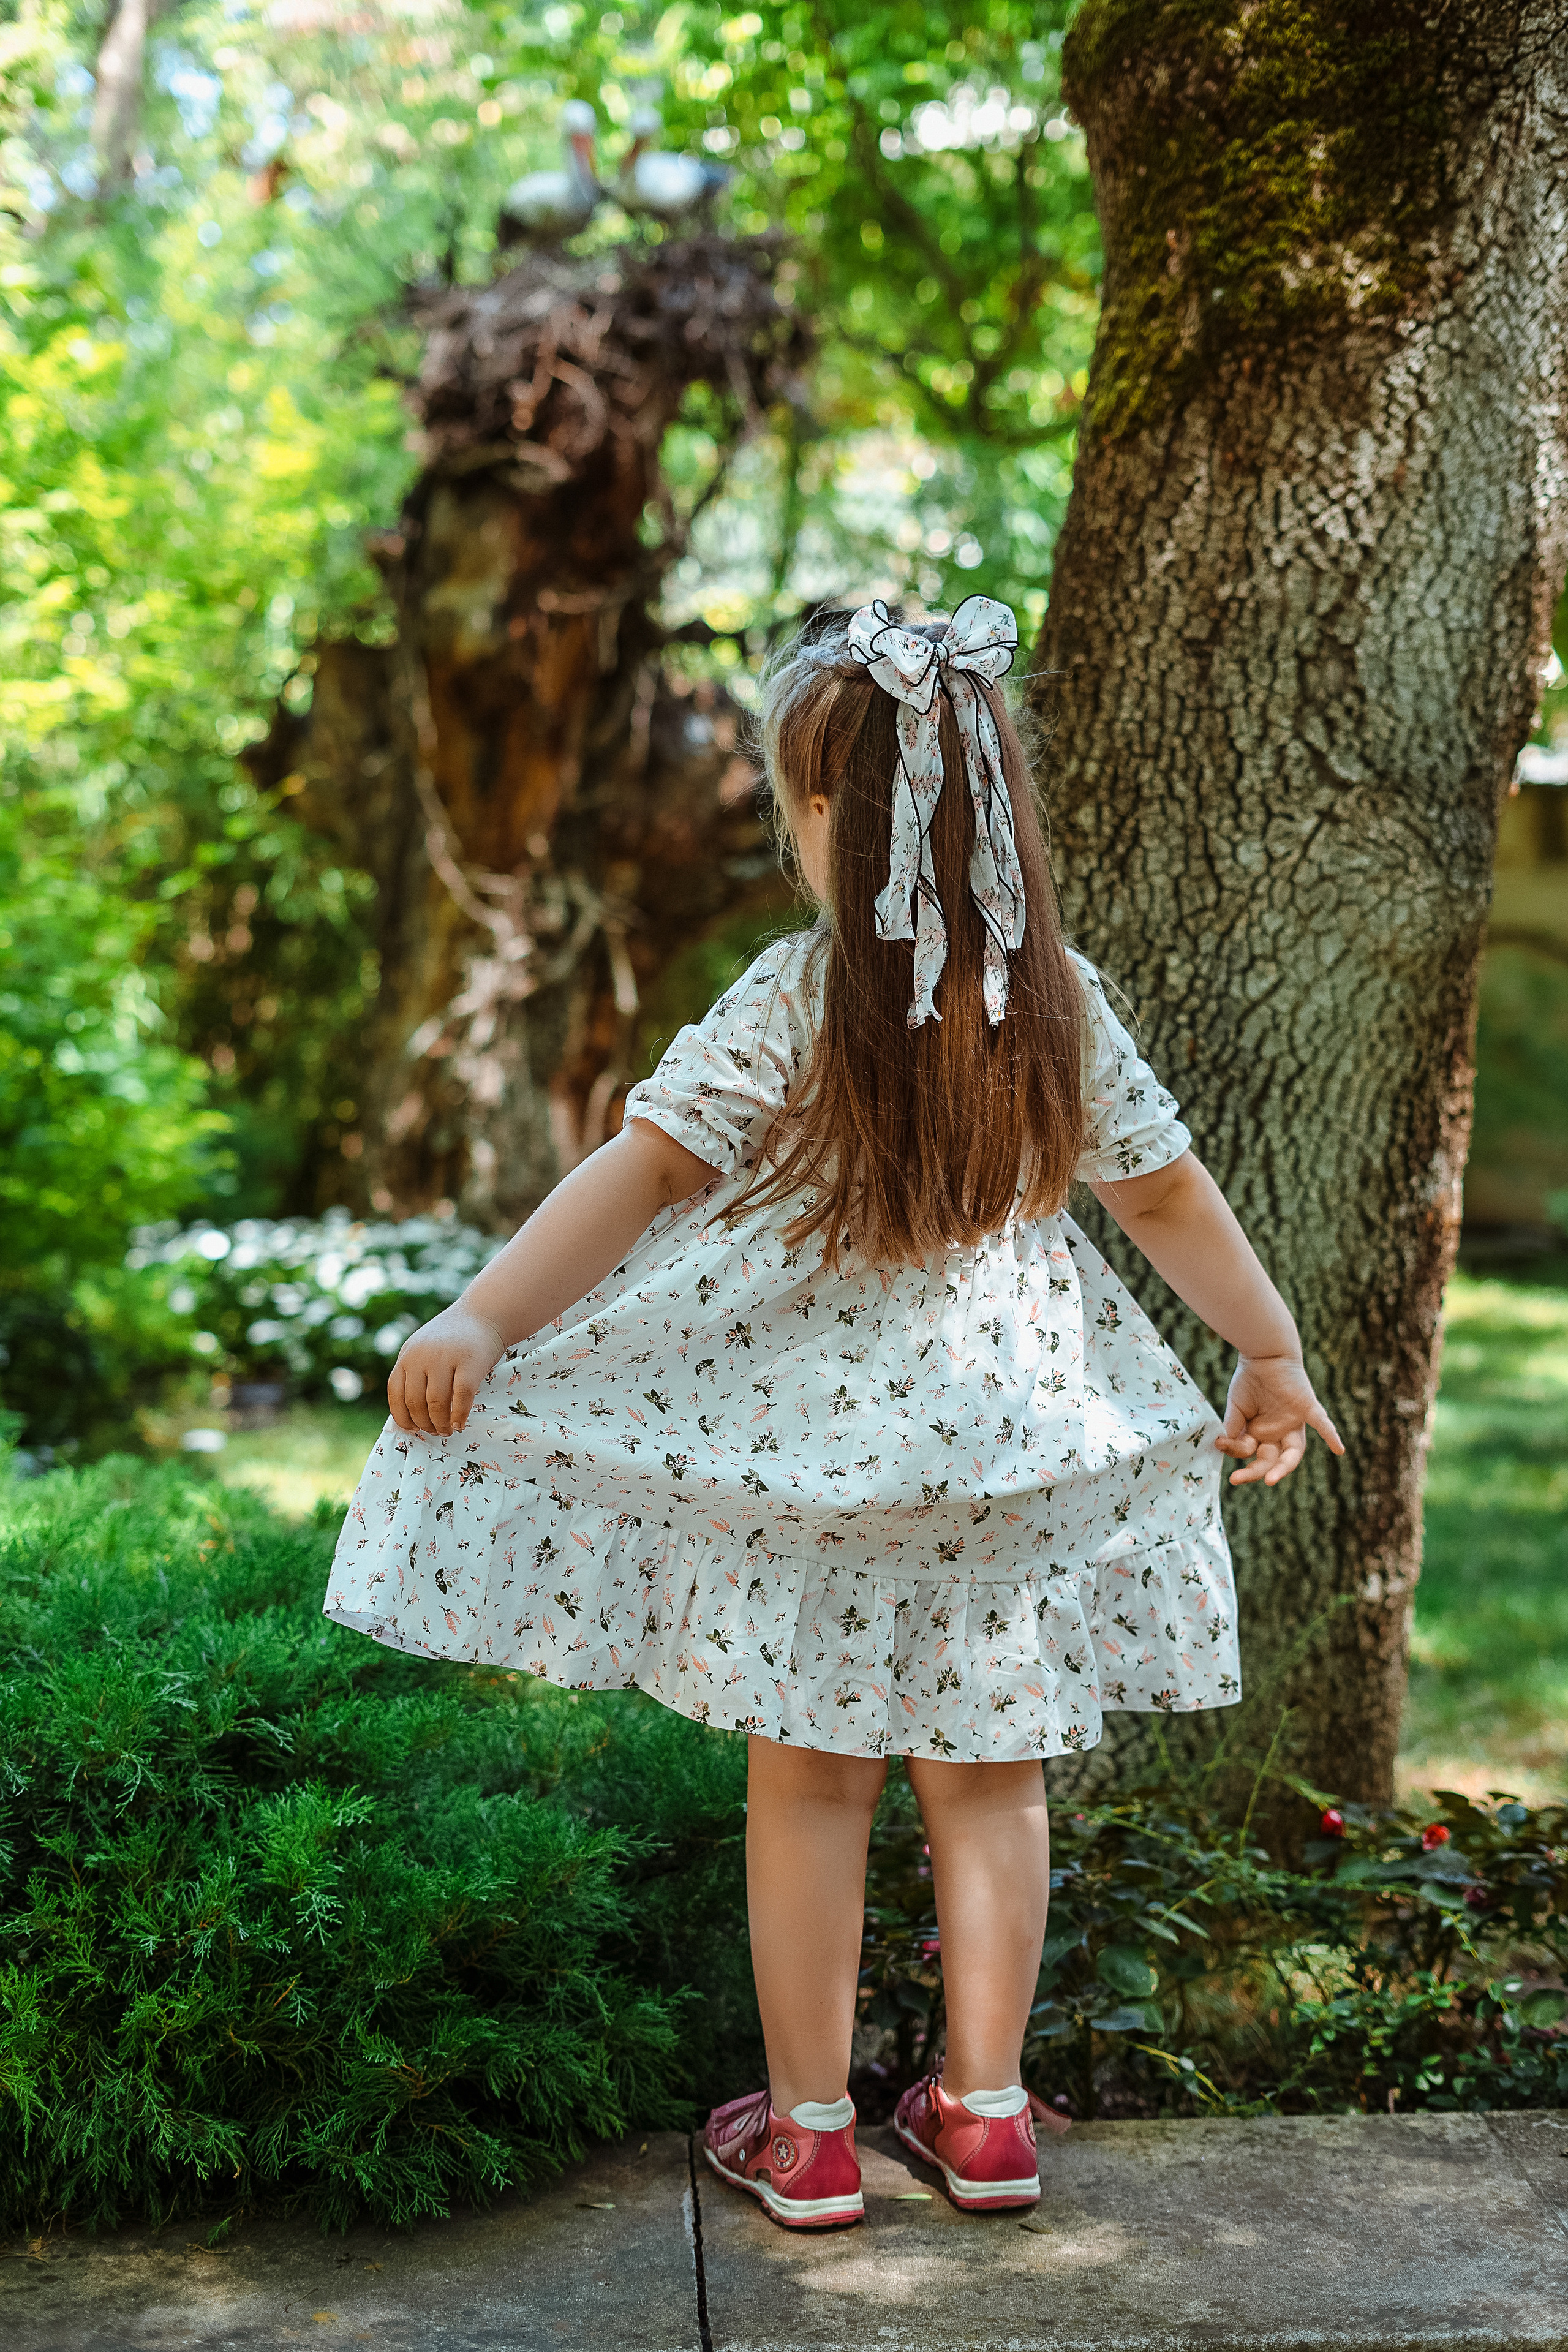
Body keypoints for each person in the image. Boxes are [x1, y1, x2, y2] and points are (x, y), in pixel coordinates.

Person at [324, 595, 1342, 2231]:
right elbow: (1161, 1200)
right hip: (1011, 1456)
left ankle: (809, 2138)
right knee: (993, 1777)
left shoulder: (802, 995)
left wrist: (486, 1313)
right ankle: (987, 2116)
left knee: (810, 1784)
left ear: (823, 817)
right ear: (989, 807)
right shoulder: (1052, 996)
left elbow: (643, 1166)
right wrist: (1270, 1350)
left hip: (821, 1463)